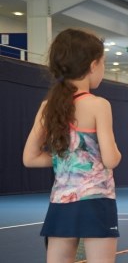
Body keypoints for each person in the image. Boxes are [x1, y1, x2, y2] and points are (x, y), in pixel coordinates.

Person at [22, 28, 122, 263]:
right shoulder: (99, 105)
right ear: (93, 65)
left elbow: (30, 158)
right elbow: (110, 159)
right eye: (104, 63)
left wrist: (66, 157)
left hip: (61, 203)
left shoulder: (48, 106)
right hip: (97, 201)